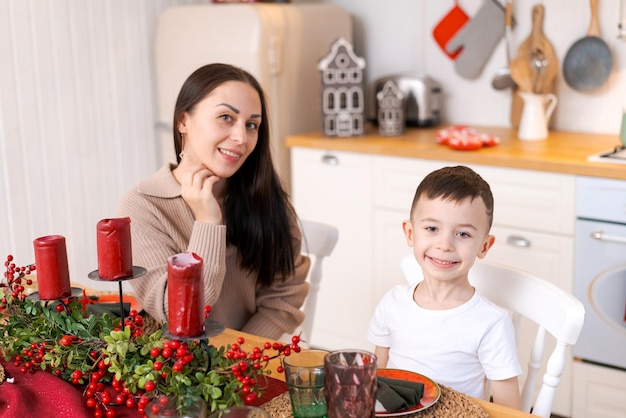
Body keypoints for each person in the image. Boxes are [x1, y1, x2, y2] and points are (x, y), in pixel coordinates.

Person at [117, 63, 310, 340]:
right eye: (225, 117)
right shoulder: (143, 205)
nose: (241, 137)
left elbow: (283, 298)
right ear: (184, 121)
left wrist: (237, 356)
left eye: (251, 124)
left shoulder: (265, 197)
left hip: (249, 365)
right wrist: (208, 222)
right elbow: (179, 313)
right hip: (178, 372)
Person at [367, 165, 522, 410]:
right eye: (431, 229)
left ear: (484, 246)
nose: (445, 244)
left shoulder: (491, 323)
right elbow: (378, 382)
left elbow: (510, 410)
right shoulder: (392, 303)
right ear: (410, 233)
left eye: (462, 234)